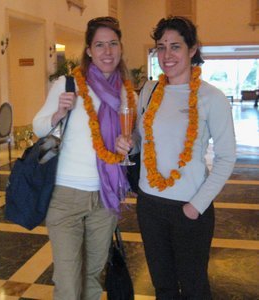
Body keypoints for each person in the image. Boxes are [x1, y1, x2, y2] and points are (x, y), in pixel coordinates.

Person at [116, 16, 236, 299]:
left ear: (192, 49)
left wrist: (196, 206)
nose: (166, 56)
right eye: (161, 47)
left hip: (190, 207)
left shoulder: (211, 98)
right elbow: (141, 141)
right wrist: (129, 143)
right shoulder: (150, 90)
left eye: (175, 47)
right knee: (163, 287)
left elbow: (227, 157)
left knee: (194, 288)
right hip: (150, 205)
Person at [33, 16, 136, 300]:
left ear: (120, 47)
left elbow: (134, 139)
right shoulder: (68, 84)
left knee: (91, 278)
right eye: (99, 45)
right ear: (89, 50)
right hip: (66, 197)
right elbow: (38, 126)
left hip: (105, 199)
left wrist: (128, 143)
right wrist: (57, 115)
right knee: (67, 283)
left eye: (113, 44)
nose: (107, 51)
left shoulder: (126, 92)